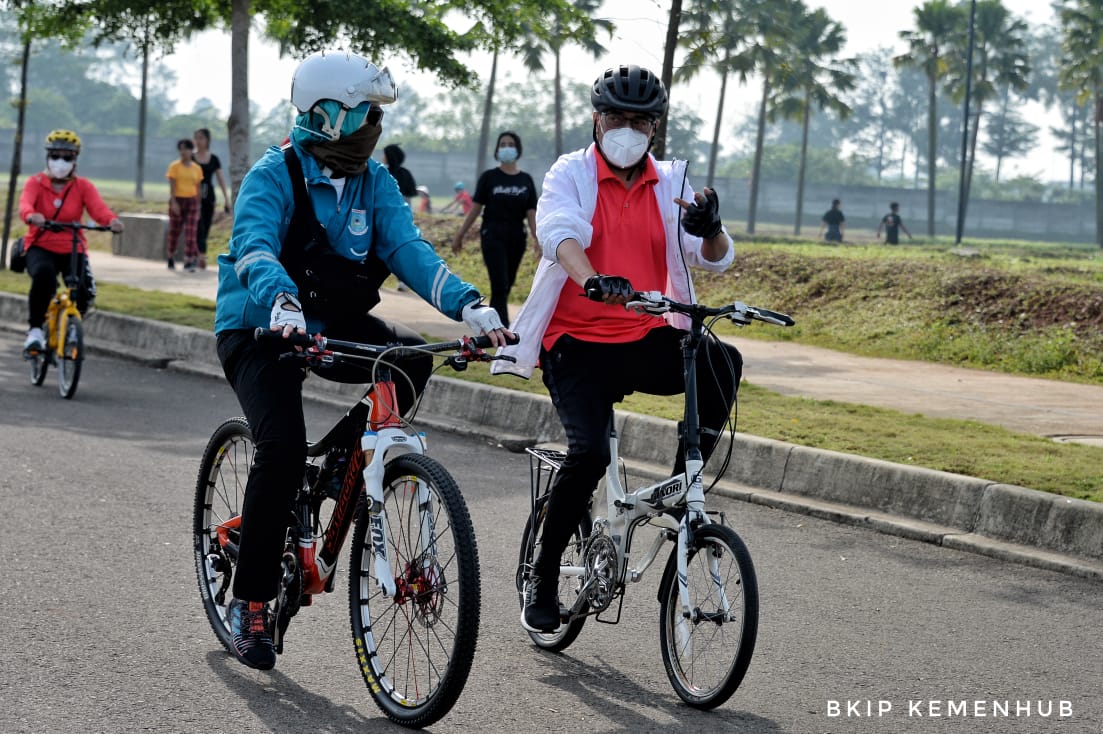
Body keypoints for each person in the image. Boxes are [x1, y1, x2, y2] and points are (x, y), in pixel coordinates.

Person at [213, 49, 511, 671]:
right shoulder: (273, 175)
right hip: (260, 327)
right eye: (365, 113)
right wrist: (282, 303)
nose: (375, 124)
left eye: (377, 113)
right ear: (326, 116)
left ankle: (347, 465)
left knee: (410, 362)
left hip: (331, 320)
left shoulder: (375, 181)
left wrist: (471, 306)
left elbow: (409, 250)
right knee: (282, 446)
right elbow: (254, 248)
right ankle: (252, 601)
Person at [491, 64, 741, 634]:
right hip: (575, 341)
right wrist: (592, 280)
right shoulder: (571, 173)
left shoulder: (671, 182)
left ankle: (685, 488)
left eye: (639, 120)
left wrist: (711, 226)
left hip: (644, 334)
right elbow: (559, 234)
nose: (627, 129)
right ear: (596, 120)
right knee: (588, 457)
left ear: (655, 128)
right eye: (616, 118)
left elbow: (716, 257)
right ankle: (543, 576)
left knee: (722, 361)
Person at [18, 130, 124, 354]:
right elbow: (25, 205)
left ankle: (74, 326)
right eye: (55, 156)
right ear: (47, 157)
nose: (61, 162)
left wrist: (112, 221)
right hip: (41, 246)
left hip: (73, 248)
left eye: (67, 157)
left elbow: (98, 209)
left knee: (85, 289)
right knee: (44, 277)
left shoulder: (83, 186)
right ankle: (35, 331)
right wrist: (32, 215)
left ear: (75, 159)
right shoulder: (35, 183)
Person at [450, 131, 539, 326]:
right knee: (499, 284)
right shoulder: (489, 177)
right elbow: (475, 209)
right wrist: (460, 235)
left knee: (506, 285)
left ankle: (491, 323)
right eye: (503, 144)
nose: (507, 147)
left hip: (517, 237)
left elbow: (531, 212)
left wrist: (537, 239)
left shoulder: (526, 180)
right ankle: (501, 329)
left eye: (510, 144)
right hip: (493, 235)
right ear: (498, 150)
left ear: (518, 149)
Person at [193, 128, 231, 270]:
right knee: (199, 225)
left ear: (207, 140)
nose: (198, 141)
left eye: (201, 138)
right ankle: (201, 256)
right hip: (193, 196)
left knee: (206, 225)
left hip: (208, 196)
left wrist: (226, 199)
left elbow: (220, 179)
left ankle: (199, 253)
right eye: (196, 138)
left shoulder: (214, 158)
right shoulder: (191, 158)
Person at [166, 138, 204, 271]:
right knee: (174, 232)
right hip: (178, 200)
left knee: (191, 232)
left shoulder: (197, 168)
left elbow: (198, 188)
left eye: (186, 148)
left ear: (191, 150)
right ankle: (171, 256)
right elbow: (172, 185)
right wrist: (174, 202)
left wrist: (198, 206)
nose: (183, 152)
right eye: (181, 149)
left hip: (192, 201)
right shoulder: (174, 166)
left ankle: (188, 260)